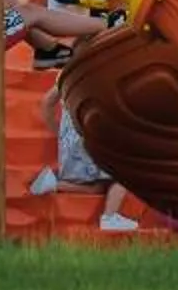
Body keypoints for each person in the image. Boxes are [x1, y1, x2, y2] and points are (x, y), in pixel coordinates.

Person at [31, 81, 139, 232]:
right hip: (93, 138)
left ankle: (55, 183)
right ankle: (110, 216)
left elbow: (47, 102)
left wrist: (58, 132)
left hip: (72, 144)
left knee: (98, 188)